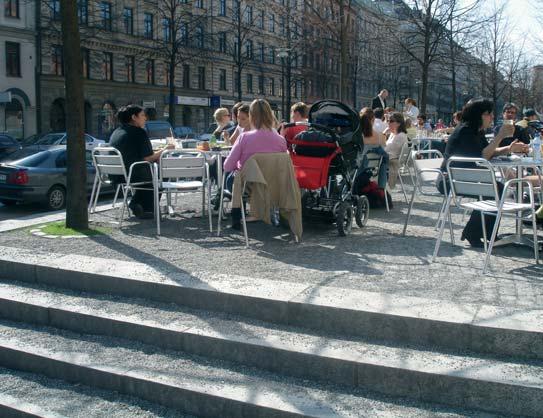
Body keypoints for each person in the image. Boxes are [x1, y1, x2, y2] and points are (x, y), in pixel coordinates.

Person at [438, 98, 528, 247]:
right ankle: (478, 234)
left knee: (496, 188)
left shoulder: (475, 130)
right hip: (450, 181)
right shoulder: (465, 132)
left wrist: (508, 149)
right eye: (489, 113)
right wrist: (500, 136)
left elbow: (488, 152)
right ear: (478, 114)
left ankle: (483, 234)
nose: (492, 116)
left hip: (462, 178)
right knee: (496, 189)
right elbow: (482, 157)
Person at [223, 99, 288, 229]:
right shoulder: (281, 140)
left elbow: (227, 166)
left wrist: (238, 165)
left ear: (251, 116)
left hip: (249, 185)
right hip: (273, 185)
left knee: (237, 176)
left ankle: (236, 218)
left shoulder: (245, 137)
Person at [109, 104, 174, 219]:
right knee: (163, 172)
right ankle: (147, 208)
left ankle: (138, 204)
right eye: (143, 115)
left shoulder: (116, 132)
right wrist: (165, 150)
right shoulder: (139, 132)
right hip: (133, 174)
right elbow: (147, 158)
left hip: (116, 175)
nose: (145, 118)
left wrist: (156, 154)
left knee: (152, 173)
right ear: (134, 117)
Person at [357, 108, 388, 190]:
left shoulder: (358, 136)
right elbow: (385, 150)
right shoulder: (379, 136)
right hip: (369, 170)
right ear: (373, 119)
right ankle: (381, 189)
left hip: (357, 170)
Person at [385, 112, 408, 188]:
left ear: (399, 123)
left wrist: (384, 134)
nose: (388, 122)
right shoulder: (393, 134)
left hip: (390, 161)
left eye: (391, 121)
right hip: (389, 159)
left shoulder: (400, 136)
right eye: (388, 120)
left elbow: (385, 149)